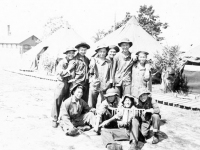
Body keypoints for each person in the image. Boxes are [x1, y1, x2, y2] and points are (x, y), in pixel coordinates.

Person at [51, 47, 76, 128]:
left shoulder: (73, 62)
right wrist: (69, 69)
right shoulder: (62, 62)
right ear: (66, 54)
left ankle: (64, 119)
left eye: (72, 53)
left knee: (67, 102)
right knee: (57, 100)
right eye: (69, 53)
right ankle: (55, 119)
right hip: (61, 83)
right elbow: (60, 73)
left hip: (70, 83)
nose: (71, 55)